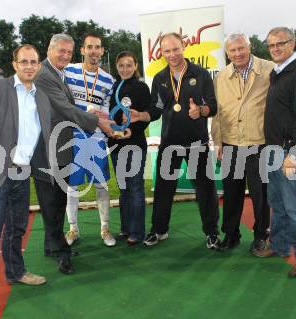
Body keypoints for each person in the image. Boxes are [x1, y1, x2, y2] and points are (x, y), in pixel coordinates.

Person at [0, 44, 49, 313]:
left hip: (21, 171)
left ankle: (16, 272)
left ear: (39, 65)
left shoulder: (39, 94)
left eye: (34, 62)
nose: (29, 66)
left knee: (17, 228)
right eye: (24, 61)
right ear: (14, 64)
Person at [129, 33, 221, 250]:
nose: (172, 55)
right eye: (167, 51)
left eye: (175, 49)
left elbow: (213, 106)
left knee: (205, 190)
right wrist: (140, 116)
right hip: (169, 143)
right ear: (162, 52)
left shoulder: (201, 74)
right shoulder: (160, 78)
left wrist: (202, 110)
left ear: (184, 47)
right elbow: (156, 109)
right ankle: (159, 230)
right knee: (163, 190)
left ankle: (212, 233)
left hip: (196, 143)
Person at [33, 34, 114, 275]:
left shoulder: (58, 72)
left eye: (67, 52)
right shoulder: (45, 74)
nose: (64, 56)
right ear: (49, 49)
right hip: (49, 149)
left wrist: (100, 119)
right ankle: (61, 251)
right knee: (54, 202)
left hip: (59, 145)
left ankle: (52, 245)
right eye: (61, 51)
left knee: (55, 201)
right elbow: (65, 108)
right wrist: (98, 121)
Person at [253, 27, 296, 278]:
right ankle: (279, 246)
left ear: (293, 43)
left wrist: (294, 151)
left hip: (291, 151)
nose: (276, 48)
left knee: (294, 207)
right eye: (271, 45)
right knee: (277, 204)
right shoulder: (277, 73)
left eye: (281, 43)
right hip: (273, 149)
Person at [211, 33, 274, 253]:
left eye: (241, 48)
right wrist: (217, 141)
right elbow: (217, 113)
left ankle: (261, 236)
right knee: (231, 194)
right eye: (232, 50)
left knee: (261, 195)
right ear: (227, 53)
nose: (237, 54)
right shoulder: (220, 77)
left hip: (259, 143)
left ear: (250, 47)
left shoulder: (269, 70)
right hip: (230, 144)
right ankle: (231, 234)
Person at [63, 33, 116, 247]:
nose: (94, 51)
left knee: (101, 185)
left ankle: (105, 227)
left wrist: (107, 125)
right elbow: (63, 102)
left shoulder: (108, 79)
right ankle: (73, 229)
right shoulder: (69, 71)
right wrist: (87, 110)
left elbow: (104, 109)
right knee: (71, 187)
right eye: (89, 47)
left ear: (102, 51)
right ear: (82, 50)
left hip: (95, 137)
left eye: (98, 47)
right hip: (73, 136)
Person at [108, 51, 151, 245]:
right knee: (124, 188)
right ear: (116, 67)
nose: (125, 69)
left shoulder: (142, 88)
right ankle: (126, 229)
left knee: (135, 188)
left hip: (134, 144)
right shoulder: (114, 87)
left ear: (135, 66)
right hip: (117, 145)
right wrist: (114, 128)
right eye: (121, 66)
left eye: (129, 65)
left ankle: (137, 232)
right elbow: (111, 115)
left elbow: (146, 115)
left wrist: (132, 129)